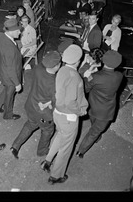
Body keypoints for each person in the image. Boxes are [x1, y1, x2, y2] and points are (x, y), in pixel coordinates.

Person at [40, 45, 88, 185]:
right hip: (69, 117)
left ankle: (47, 161)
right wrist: (80, 111)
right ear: (78, 61)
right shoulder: (75, 77)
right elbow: (70, 101)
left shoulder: (61, 70)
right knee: (66, 149)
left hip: (57, 113)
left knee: (60, 136)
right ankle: (56, 176)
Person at [10, 51, 62, 159]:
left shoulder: (38, 68)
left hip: (31, 105)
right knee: (47, 130)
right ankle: (42, 151)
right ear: (57, 66)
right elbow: (56, 102)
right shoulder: (55, 83)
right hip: (43, 115)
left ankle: (15, 146)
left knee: (30, 124)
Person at [76, 50, 123, 158]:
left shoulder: (96, 76)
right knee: (94, 132)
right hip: (106, 111)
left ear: (103, 60)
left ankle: (89, 143)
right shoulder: (119, 76)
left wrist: (87, 77)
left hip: (93, 108)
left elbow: (85, 89)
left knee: (94, 127)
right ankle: (81, 151)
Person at [0, 18, 23, 120]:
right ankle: (8, 115)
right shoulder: (9, 48)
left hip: (2, 71)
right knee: (11, 93)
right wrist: (17, 83)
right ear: (11, 31)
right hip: (10, 75)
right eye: (18, 30)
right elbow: (10, 69)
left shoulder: (0, 36)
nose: (20, 32)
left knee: (7, 89)